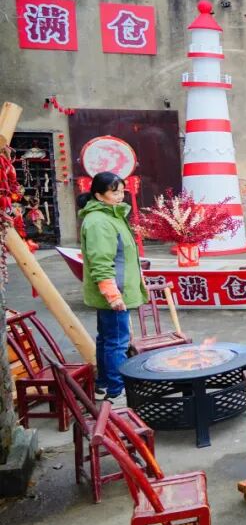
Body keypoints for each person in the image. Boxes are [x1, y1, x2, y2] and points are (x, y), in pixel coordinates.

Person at [78, 172, 148, 402]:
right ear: (99, 195)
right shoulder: (99, 221)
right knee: (117, 343)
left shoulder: (111, 215)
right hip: (115, 292)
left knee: (107, 339)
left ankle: (103, 385)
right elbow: (101, 262)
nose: (120, 196)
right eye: (114, 192)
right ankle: (117, 392)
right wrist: (113, 295)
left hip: (117, 290)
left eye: (121, 191)